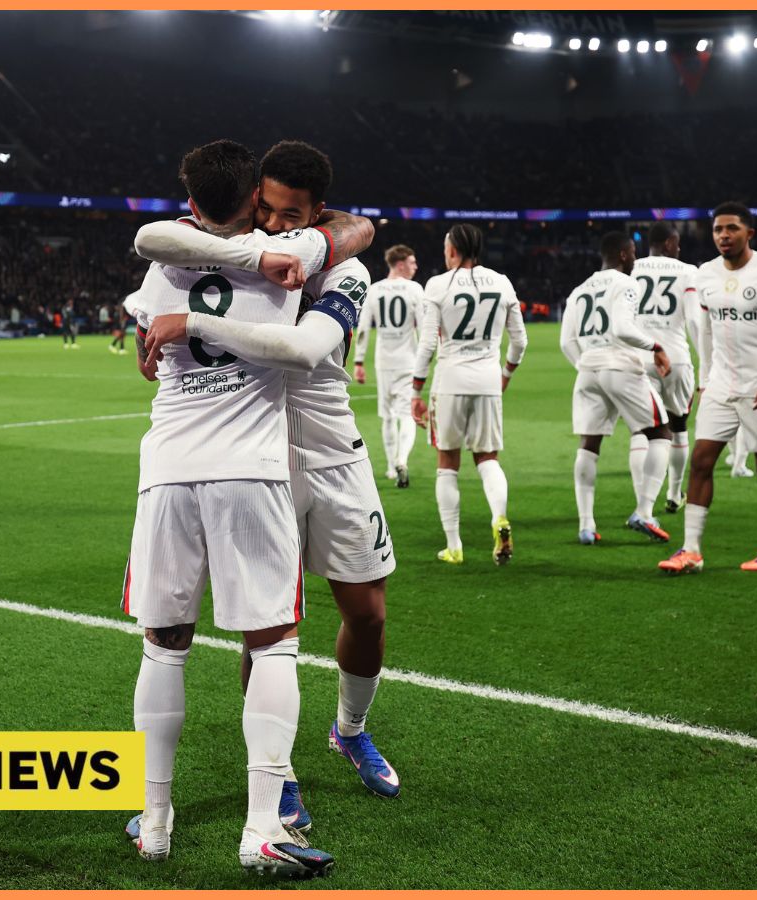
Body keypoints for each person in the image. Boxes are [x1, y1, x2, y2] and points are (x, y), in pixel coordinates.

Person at [123, 139, 373, 879]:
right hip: (251, 472)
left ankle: (156, 820)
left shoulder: (163, 259)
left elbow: (152, 250)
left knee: (163, 644)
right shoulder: (289, 251)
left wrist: (186, 322)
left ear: (190, 196)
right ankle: (263, 828)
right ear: (254, 201)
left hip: (166, 471)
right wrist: (270, 254)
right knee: (271, 643)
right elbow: (344, 246)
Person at [660, 202, 757, 576]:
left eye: (731, 229)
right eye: (717, 230)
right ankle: (691, 550)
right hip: (721, 386)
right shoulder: (705, 275)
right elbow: (705, 334)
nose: (723, 235)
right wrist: (705, 381)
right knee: (701, 461)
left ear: (749, 233)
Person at [410, 224, 528, 566]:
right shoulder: (502, 282)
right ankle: (499, 519)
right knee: (488, 459)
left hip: (450, 381)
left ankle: (454, 546)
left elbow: (429, 343)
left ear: (452, 250)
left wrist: (416, 390)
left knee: (447, 463)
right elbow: (520, 341)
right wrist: (505, 374)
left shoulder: (437, 285)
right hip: (488, 381)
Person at [561, 231, 673, 545]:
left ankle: (586, 525)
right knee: (660, 433)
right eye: (633, 251)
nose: (635, 256)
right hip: (620, 364)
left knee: (589, 443)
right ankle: (645, 510)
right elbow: (623, 329)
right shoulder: (626, 283)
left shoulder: (579, 289)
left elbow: (566, 341)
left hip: (588, 369)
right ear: (623, 254)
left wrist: (586, 365)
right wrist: (656, 346)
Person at [629, 222, 700, 514]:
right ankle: (673, 494)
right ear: (669, 243)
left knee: (640, 432)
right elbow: (695, 321)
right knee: (679, 427)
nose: (680, 248)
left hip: (638, 359)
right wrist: (706, 362)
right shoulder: (688, 272)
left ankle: (641, 504)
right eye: (678, 242)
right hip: (676, 359)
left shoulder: (631, 269)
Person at [354, 245, 423, 487]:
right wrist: (427, 360)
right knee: (407, 415)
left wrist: (359, 361)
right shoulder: (415, 289)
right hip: (409, 361)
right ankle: (402, 459)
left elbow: (363, 328)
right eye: (412, 263)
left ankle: (392, 468)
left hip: (384, 361)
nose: (415, 267)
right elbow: (424, 328)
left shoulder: (374, 290)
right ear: (401, 264)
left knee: (387, 416)